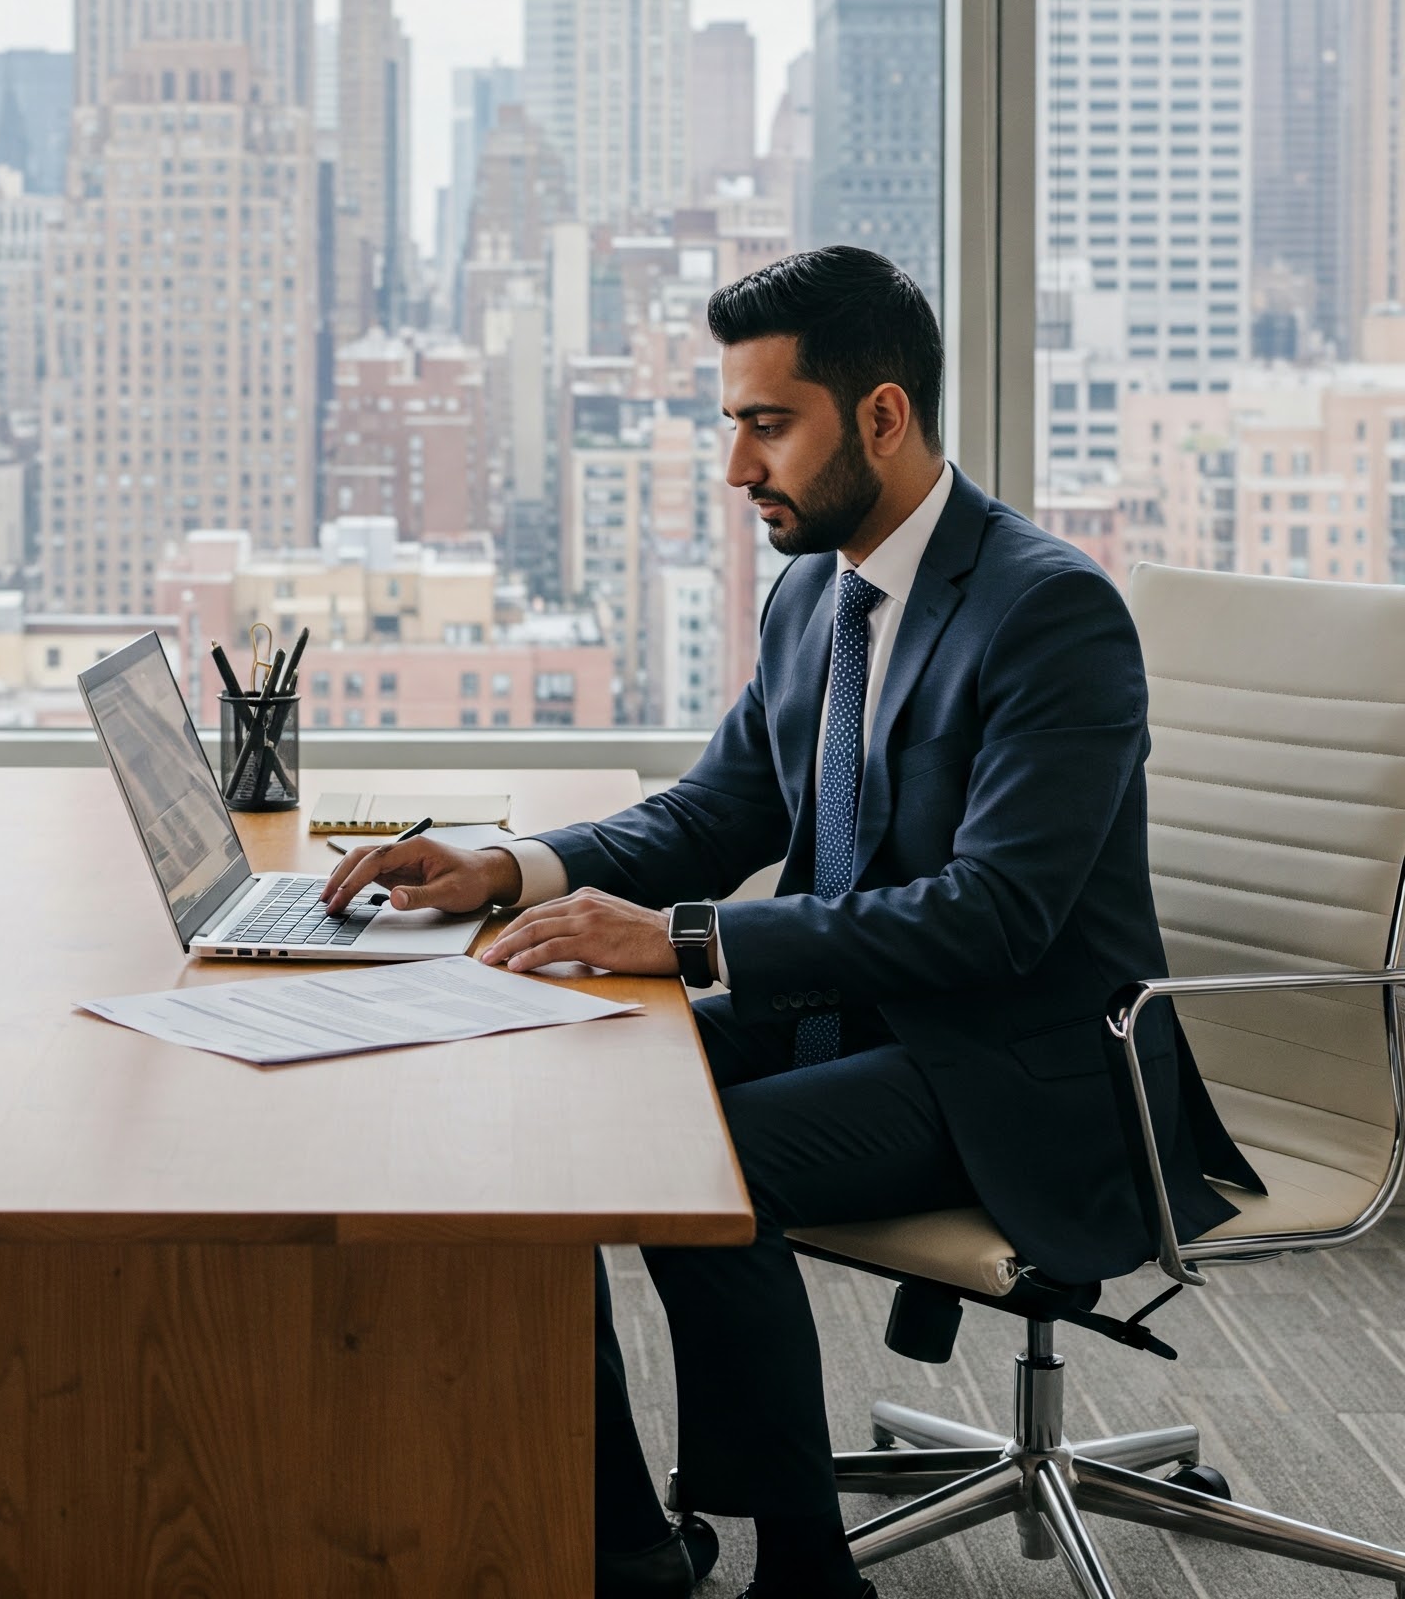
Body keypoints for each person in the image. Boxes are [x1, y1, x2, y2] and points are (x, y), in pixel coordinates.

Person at [323, 246, 1254, 1599]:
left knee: (707, 1168)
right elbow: (716, 814)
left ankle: (809, 1575)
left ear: (881, 415)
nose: (738, 467)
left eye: (770, 426)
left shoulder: (1049, 611)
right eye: (734, 426)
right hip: (857, 1023)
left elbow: (996, 917)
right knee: (555, 1108)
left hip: (1032, 1067)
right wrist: (503, 869)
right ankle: (625, 1545)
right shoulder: (818, 589)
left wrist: (691, 944)